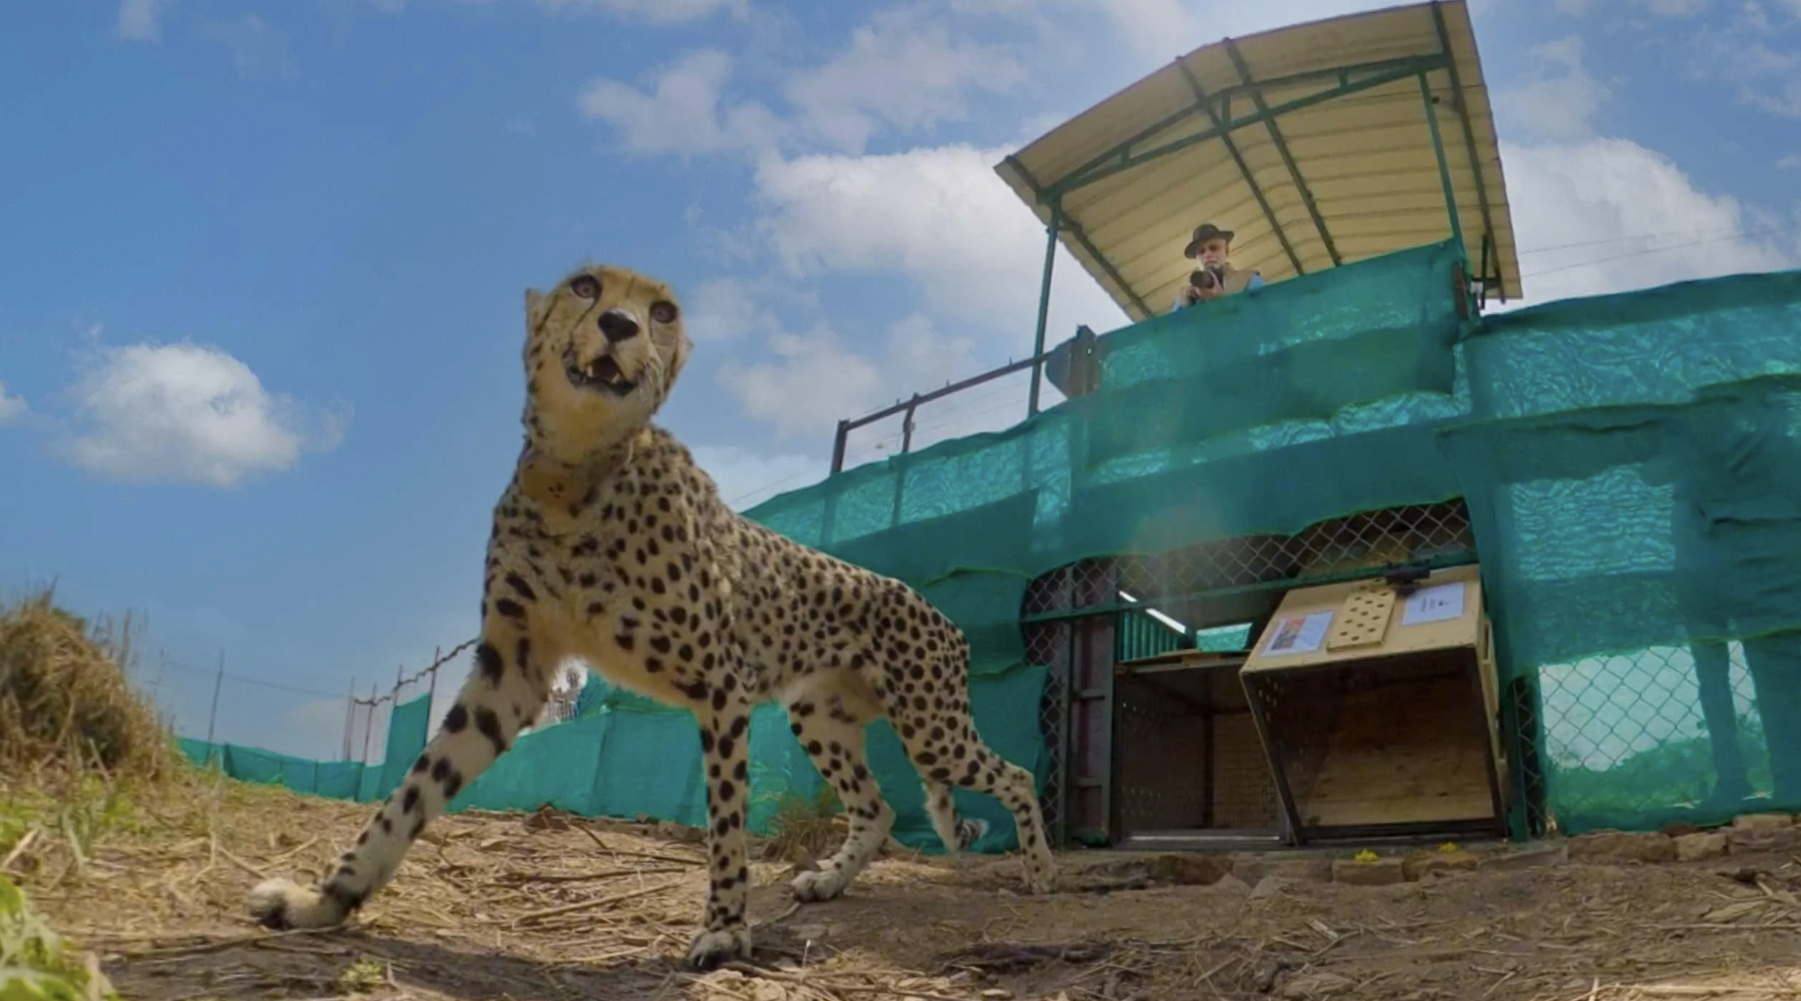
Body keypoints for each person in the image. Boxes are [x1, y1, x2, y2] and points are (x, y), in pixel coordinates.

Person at [1171, 222, 1263, 312]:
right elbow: (1171, 325)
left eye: (1214, 248)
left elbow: (1261, 315)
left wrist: (1222, 301)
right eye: (1201, 251)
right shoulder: (1186, 296)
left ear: (1226, 250)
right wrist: (1184, 310)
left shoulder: (1249, 278)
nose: (1207, 254)